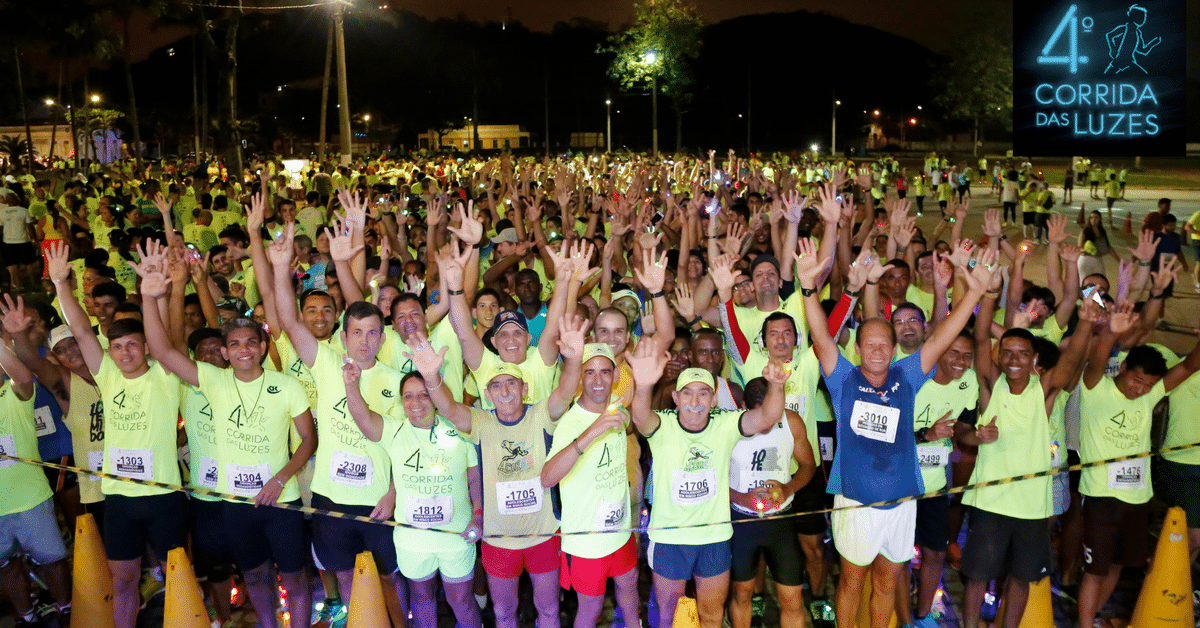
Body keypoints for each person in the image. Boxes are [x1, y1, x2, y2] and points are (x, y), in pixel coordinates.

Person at [797, 230, 997, 628]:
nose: (875, 350)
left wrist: (973, 294)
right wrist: (806, 287)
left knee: (888, 581)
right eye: (867, 344)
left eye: (882, 345)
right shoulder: (843, 378)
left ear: (892, 349)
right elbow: (820, 336)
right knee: (852, 581)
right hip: (856, 504)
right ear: (858, 349)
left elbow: (942, 337)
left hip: (902, 502)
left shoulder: (908, 375)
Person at [138, 243, 317, 628]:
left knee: (296, 577)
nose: (244, 349)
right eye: (234, 344)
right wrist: (149, 297)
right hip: (236, 502)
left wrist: (280, 478)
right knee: (254, 575)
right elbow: (162, 351)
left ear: (263, 347)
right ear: (225, 351)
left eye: (251, 342)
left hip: (280, 499)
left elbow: (308, 440)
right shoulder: (213, 381)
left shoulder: (286, 386)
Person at [404, 312, 587, 628]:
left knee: (548, 611)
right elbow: (447, 408)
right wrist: (432, 378)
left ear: (524, 388)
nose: (504, 391)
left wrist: (573, 361)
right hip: (498, 541)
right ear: (487, 395)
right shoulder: (482, 422)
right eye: (496, 386)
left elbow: (566, 393)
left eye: (511, 384)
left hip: (543, 535)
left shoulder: (541, 414)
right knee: (503, 613)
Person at [47, 240, 185, 628]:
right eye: (117, 346)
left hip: (163, 498)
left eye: (132, 346)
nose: (124, 353)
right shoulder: (106, 374)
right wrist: (61, 285)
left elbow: (164, 339)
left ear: (145, 348)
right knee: (123, 580)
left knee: (177, 575)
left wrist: (151, 293)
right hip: (120, 498)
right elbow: (80, 331)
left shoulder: (165, 375)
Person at [267, 224, 404, 609]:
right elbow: (292, 323)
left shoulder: (396, 382)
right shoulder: (327, 364)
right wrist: (280, 269)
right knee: (346, 577)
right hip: (331, 497)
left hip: (378, 499)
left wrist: (394, 493)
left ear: (382, 337)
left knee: (388, 580)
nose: (365, 341)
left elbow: (402, 446)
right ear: (344, 338)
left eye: (373, 333)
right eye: (357, 333)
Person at [961, 281, 1099, 628]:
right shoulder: (991, 386)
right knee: (977, 576)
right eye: (1007, 352)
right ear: (999, 355)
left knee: (1022, 578)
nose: (1014, 360)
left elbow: (1072, 358)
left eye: (1023, 353)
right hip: (989, 502)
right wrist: (989, 294)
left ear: (1034, 358)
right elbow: (980, 339)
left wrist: (1085, 321)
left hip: (1032, 507)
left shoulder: (1045, 389)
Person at [627, 340, 788, 628]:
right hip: (670, 539)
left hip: (713, 539)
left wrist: (776, 385)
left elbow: (768, 416)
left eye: (704, 393)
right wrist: (642, 386)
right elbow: (640, 417)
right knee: (669, 617)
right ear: (676, 398)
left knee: (712, 616)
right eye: (687, 393)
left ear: (714, 400)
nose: (695, 401)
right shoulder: (663, 426)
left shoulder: (724, 425)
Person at [1076, 299, 1200, 628]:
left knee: (1118, 566)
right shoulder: (1095, 389)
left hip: (1138, 499)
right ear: (1126, 367)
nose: (1139, 390)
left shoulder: (1149, 395)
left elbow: (1188, 367)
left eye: (1147, 385)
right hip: (1101, 497)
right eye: (1136, 380)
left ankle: (1096, 618)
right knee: (1094, 570)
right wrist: (1111, 335)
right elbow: (1095, 362)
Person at [341, 365, 484, 628]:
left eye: (424, 394)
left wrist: (478, 516)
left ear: (436, 397)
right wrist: (351, 385)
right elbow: (362, 418)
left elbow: (474, 479)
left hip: (456, 536)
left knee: (461, 599)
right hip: (412, 539)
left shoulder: (459, 428)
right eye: (408, 396)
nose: (415, 402)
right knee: (421, 596)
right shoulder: (395, 430)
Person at [0, 307, 72, 628]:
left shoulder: (12, 395)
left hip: (31, 499)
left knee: (53, 562)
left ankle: (67, 608)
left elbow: (22, 374)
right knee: (5, 568)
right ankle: (27, 616)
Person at [726, 377, 816, 628]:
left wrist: (788, 488)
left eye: (771, 415)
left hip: (781, 522)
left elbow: (808, 465)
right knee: (742, 594)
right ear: (743, 405)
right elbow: (713, 480)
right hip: (743, 521)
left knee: (792, 598)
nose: (765, 424)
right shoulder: (729, 426)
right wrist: (743, 497)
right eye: (759, 416)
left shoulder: (791, 421)